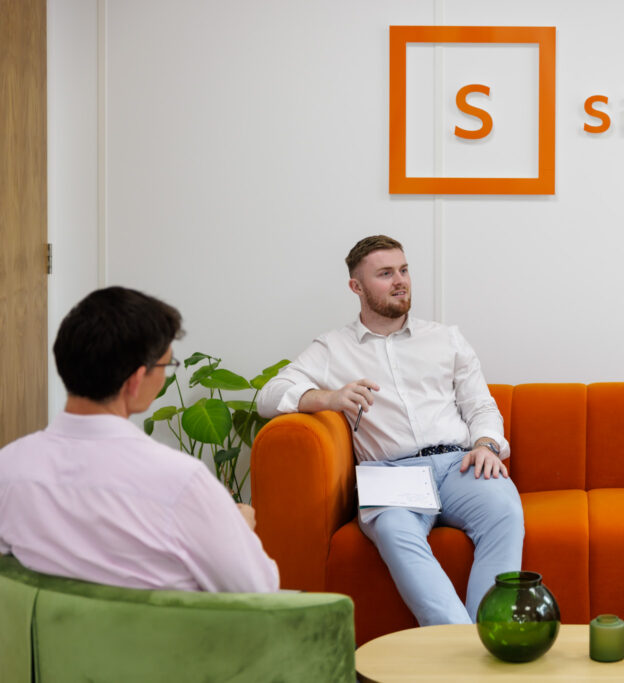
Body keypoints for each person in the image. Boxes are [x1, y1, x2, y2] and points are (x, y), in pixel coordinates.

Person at [257, 234, 524, 626]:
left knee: (505, 510)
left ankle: (490, 633)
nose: (400, 281)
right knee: (397, 530)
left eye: (403, 270)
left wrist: (485, 444)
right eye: (385, 274)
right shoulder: (333, 348)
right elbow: (269, 395)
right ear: (357, 287)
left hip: (458, 464)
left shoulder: (445, 338)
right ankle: (460, 645)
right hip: (390, 474)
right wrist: (327, 398)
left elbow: (480, 406)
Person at [0, 287, 279, 592]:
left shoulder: (9, 468)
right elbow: (258, 594)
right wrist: (240, 529)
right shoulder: (182, 482)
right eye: (166, 365)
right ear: (135, 380)